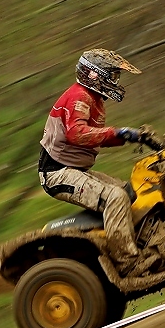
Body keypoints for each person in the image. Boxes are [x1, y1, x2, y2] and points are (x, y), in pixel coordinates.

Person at [38, 49, 144, 275]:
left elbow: (91, 136)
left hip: (73, 169)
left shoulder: (92, 98)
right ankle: (127, 262)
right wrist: (118, 132)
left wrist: (124, 136)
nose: (115, 81)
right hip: (57, 172)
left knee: (127, 190)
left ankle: (133, 241)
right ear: (94, 75)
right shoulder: (80, 97)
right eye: (112, 76)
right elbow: (77, 133)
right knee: (115, 198)